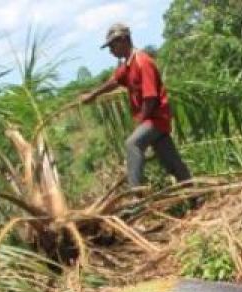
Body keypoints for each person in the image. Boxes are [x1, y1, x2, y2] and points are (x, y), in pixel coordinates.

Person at [79, 23, 192, 189]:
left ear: (124, 40)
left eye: (112, 45)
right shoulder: (128, 65)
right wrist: (93, 95)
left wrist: (141, 122)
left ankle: (135, 196)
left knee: (133, 143)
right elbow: (115, 81)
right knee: (171, 160)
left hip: (156, 119)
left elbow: (151, 97)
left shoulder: (142, 62)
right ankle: (194, 194)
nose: (111, 50)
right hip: (153, 121)